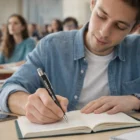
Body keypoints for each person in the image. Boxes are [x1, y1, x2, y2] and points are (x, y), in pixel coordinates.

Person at [0, 0, 140, 124]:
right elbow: (8, 89)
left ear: (134, 29)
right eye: (101, 16)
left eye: (120, 26)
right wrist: (26, 104)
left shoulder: (137, 49)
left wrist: (135, 100)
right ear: (92, 3)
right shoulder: (52, 46)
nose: (104, 32)